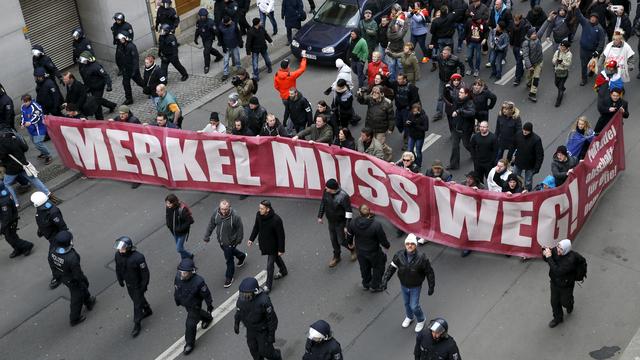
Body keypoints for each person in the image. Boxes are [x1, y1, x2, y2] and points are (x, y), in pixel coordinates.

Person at [382, 234, 435, 332]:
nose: (409, 245)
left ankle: (421, 319)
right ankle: (409, 317)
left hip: (415, 286)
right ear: (405, 245)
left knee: (414, 305)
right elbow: (391, 269)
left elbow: (429, 272)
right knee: (407, 303)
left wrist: (431, 286)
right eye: (407, 244)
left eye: (412, 244)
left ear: (415, 245)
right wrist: (385, 280)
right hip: (404, 285)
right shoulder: (399, 255)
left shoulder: (422, 258)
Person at [48, 231, 96, 326]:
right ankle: (74, 318)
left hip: (63, 277)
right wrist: (84, 280)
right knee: (76, 297)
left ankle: (88, 301)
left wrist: (57, 276)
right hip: (73, 279)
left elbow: (51, 264)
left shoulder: (52, 251)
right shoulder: (72, 257)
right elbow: (78, 274)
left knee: (82, 288)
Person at [0, 131, 56, 208]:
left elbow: (1, 157)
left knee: (7, 183)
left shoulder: (1, 145)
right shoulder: (14, 138)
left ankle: (16, 203)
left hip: (12, 169)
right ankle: (47, 193)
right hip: (23, 164)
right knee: (33, 179)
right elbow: (25, 148)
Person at [234, 277, 282, 359]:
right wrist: (236, 323)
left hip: (262, 330)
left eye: (247, 295)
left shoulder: (264, 301)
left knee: (266, 351)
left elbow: (272, 319)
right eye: (242, 294)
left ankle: (277, 356)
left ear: (255, 292)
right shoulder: (241, 300)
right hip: (250, 329)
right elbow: (239, 311)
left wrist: (271, 335)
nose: (244, 297)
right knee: (254, 351)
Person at [203, 199, 247, 288]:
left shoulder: (235, 216)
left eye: (226, 209)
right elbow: (211, 224)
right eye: (222, 209)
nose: (224, 211)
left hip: (231, 242)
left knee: (229, 259)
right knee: (230, 252)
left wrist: (238, 241)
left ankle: (229, 277)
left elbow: (240, 229)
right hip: (221, 241)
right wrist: (207, 236)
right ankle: (241, 256)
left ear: (229, 207)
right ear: (219, 208)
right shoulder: (216, 213)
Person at [114, 236, 152, 337]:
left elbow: (145, 273)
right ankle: (147, 309)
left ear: (128, 247)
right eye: (119, 248)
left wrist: (144, 285)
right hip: (129, 284)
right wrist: (120, 279)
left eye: (122, 248)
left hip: (138, 285)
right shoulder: (118, 255)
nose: (120, 250)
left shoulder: (138, 257)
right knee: (136, 299)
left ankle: (137, 323)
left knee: (136, 304)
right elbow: (118, 268)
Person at [174, 258, 213, 355]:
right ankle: (207, 318)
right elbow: (176, 288)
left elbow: (206, 294)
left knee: (190, 324)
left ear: (191, 272)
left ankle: (189, 344)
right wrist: (177, 299)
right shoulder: (178, 276)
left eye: (185, 272)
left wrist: (209, 305)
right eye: (181, 271)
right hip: (185, 302)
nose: (182, 274)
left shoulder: (198, 281)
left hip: (194, 304)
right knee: (196, 314)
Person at [347, 204, 390, 292]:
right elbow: (382, 239)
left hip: (360, 251)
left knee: (364, 267)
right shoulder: (376, 225)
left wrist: (350, 243)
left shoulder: (353, 223)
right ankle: (375, 285)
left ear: (359, 212)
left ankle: (366, 283)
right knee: (378, 267)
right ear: (370, 213)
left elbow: (350, 235)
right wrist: (387, 246)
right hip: (374, 252)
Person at [248, 200, 287, 293]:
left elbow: (281, 236)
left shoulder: (276, 220)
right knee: (276, 258)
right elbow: (256, 227)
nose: (260, 210)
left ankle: (268, 286)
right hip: (265, 243)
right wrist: (251, 239)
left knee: (270, 265)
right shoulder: (258, 215)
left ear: (268, 209)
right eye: (259, 208)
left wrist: (281, 249)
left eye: (262, 208)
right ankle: (283, 270)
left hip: (273, 246)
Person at [542, 239, 580, 328]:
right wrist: (544, 252)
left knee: (565, 302)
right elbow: (548, 259)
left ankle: (570, 304)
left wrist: (549, 257)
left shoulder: (571, 260)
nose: (558, 250)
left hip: (566, 286)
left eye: (561, 249)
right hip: (555, 283)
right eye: (558, 247)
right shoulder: (556, 250)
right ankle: (558, 318)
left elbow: (557, 271)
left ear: (566, 250)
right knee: (554, 302)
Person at [317, 179, 355, 268]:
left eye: (327, 187)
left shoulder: (344, 196)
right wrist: (320, 216)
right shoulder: (326, 192)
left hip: (340, 222)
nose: (325, 188)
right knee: (333, 240)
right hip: (331, 221)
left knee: (341, 240)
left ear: (332, 188)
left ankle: (352, 249)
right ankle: (336, 256)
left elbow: (348, 212)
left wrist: (346, 226)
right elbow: (323, 203)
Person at [32, 191, 66, 289]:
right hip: (51, 237)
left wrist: (63, 239)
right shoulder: (41, 209)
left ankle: (58, 276)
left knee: (52, 258)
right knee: (61, 256)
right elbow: (42, 220)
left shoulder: (52, 211)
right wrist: (41, 230)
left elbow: (62, 226)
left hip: (56, 238)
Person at [356, 86, 395, 161]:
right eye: (373, 92)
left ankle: (388, 152)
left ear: (381, 94)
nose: (374, 94)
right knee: (371, 142)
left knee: (380, 144)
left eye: (377, 93)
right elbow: (362, 101)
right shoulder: (370, 99)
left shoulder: (387, 103)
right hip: (370, 127)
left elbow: (391, 117)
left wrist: (391, 128)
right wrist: (360, 95)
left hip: (381, 128)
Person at [78, 52, 116, 119]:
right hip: (90, 86)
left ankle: (100, 119)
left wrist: (109, 85)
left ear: (88, 59)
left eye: (84, 60)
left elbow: (105, 76)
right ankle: (111, 105)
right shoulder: (83, 66)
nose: (83, 62)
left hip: (98, 87)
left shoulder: (96, 66)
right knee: (98, 99)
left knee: (96, 102)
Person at [432, 47, 465, 122]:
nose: (443, 54)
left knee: (454, 96)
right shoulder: (440, 56)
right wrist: (430, 49)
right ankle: (439, 113)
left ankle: (456, 111)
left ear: (449, 53)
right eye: (443, 53)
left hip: (451, 82)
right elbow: (430, 56)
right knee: (440, 97)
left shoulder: (455, 59)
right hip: (442, 80)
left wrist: (461, 75)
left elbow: (462, 66)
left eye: (445, 53)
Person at [575, 9, 606, 86]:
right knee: (583, 65)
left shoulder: (600, 29)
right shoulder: (586, 23)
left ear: (597, 19)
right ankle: (584, 79)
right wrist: (576, 8)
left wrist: (597, 52)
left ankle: (592, 71)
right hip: (583, 49)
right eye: (591, 17)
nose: (592, 18)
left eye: (594, 18)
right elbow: (579, 16)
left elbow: (602, 42)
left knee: (592, 63)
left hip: (593, 51)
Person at [0, 188, 33, 258]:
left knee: (10, 237)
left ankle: (27, 245)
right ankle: (18, 249)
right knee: (11, 236)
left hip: (10, 221)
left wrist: (2, 228)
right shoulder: (3, 194)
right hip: (9, 219)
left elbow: (7, 217)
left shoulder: (4, 202)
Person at [448, 87, 475, 170]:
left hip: (465, 129)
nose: (459, 93)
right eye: (459, 92)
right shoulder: (457, 100)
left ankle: (475, 155)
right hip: (456, 128)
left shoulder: (470, 103)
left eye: (461, 92)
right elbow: (448, 96)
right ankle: (454, 165)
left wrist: (460, 111)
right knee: (455, 147)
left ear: (466, 94)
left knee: (466, 144)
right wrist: (447, 89)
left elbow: (471, 112)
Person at [20, 94, 52, 165]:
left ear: (29, 101)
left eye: (25, 102)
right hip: (31, 129)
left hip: (39, 128)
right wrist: (22, 123)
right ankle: (43, 152)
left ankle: (48, 155)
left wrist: (30, 122)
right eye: (23, 102)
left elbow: (37, 117)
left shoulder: (36, 107)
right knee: (35, 142)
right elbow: (23, 115)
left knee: (38, 143)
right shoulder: (23, 107)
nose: (24, 104)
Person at [512, 122, 544, 191]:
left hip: (530, 165)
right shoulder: (518, 135)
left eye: (527, 130)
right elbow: (513, 146)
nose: (525, 132)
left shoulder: (536, 140)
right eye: (524, 130)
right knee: (514, 177)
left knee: (528, 182)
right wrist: (510, 157)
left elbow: (540, 155)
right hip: (518, 161)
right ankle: (515, 189)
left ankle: (527, 193)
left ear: (530, 131)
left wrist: (536, 168)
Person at [116, 32, 145, 105]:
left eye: (122, 39)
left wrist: (135, 70)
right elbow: (119, 58)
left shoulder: (131, 46)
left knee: (139, 82)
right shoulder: (120, 46)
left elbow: (135, 59)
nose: (120, 40)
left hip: (132, 69)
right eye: (120, 39)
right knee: (125, 84)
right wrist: (121, 68)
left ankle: (150, 90)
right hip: (125, 69)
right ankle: (129, 99)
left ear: (126, 38)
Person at [194, 8, 223, 74]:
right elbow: (197, 30)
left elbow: (216, 32)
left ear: (206, 16)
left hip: (209, 39)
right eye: (201, 16)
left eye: (204, 16)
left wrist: (220, 40)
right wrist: (195, 38)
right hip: (203, 38)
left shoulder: (211, 22)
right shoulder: (198, 22)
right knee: (209, 49)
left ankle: (206, 66)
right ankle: (219, 55)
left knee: (206, 52)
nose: (202, 17)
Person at [165, 193, 194, 260]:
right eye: (166, 203)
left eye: (169, 203)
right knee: (180, 247)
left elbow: (190, 221)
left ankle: (189, 255)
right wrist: (168, 224)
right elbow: (167, 216)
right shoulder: (168, 207)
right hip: (174, 232)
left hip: (182, 233)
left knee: (179, 248)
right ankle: (184, 260)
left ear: (174, 202)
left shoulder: (182, 210)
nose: (167, 205)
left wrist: (179, 229)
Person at [522, 26, 545, 102]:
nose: (535, 35)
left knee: (536, 78)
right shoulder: (526, 43)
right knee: (529, 76)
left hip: (539, 62)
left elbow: (542, 29)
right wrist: (529, 66)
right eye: (533, 34)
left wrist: (548, 20)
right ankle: (529, 82)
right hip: (531, 64)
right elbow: (525, 55)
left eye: (535, 33)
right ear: (529, 35)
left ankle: (532, 94)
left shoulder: (538, 39)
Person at [218, 16, 243, 81]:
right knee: (226, 60)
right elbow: (220, 38)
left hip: (234, 44)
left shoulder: (234, 25)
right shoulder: (221, 28)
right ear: (226, 23)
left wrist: (240, 42)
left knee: (237, 58)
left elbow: (238, 33)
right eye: (229, 21)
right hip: (226, 46)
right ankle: (225, 73)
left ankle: (239, 70)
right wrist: (223, 47)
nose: (231, 21)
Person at [509, 15, 531, 86]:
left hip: (522, 46)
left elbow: (526, 37)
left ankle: (517, 78)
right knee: (518, 61)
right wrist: (511, 43)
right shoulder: (513, 25)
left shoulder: (524, 26)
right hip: (515, 45)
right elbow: (511, 35)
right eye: (514, 20)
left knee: (518, 61)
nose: (515, 22)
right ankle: (521, 72)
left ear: (520, 20)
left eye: (516, 21)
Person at [405, 103, 429, 167]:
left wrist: (415, 125)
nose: (414, 113)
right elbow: (407, 122)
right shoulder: (411, 114)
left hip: (419, 137)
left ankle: (418, 165)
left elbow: (426, 128)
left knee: (418, 151)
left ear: (419, 110)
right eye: (413, 111)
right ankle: (415, 160)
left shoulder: (424, 117)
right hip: (412, 135)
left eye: (415, 111)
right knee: (410, 150)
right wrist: (407, 123)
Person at [552, 40, 573, 107]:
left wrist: (562, 62)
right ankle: (563, 88)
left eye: (563, 46)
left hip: (564, 72)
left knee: (560, 88)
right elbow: (553, 60)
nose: (561, 47)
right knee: (556, 83)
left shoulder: (569, 54)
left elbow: (568, 64)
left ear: (566, 48)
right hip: (557, 71)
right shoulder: (557, 52)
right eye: (561, 46)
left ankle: (558, 101)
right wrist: (556, 61)